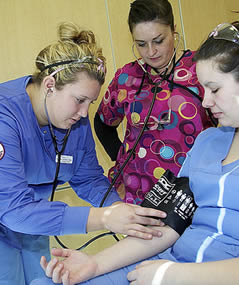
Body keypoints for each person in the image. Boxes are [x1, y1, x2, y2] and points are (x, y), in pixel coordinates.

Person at [31, 0, 239, 284]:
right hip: (171, 261)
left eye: (213, 89)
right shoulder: (208, 142)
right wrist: (93, 264)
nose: (205, 101)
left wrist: (173, 274)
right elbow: (169, 223)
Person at [0, 22, 168, 285]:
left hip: (34, 217)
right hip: (12, 211)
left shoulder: (74, 120)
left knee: (40, 279)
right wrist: (104, 219)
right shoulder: (5, 116)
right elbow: (15, 210)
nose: (83, 113)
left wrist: (118, 209)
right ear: (49, 85)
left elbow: (88, 178)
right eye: (79, 100)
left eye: (90, 103)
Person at [94, 0, 213, 205]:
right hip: (135, 195)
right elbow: (102, 122)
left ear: (174, 30)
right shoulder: (126, 77)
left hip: (191, 193)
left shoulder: (201, 69)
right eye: (141, 44)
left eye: (158, 40)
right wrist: (122, 158)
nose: (151, 52)